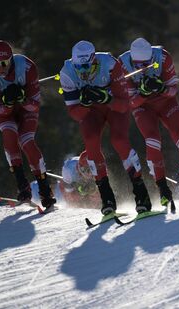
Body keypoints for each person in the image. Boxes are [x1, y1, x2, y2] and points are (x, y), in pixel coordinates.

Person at [59, 40, 151, 215]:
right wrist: (84, 104)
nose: (83, 72)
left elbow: (124, 105)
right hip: (92, 112)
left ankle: (141, 194)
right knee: (91, 142)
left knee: (119, 140)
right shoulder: (67, 72)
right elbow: (74, 112)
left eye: (87, 67)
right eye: (79, 68)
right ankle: (106, 197)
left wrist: (105, 98)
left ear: (94, 60)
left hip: (113, 108)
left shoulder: (110, 64)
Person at [118, 38, 179, 207]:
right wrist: (143, 93)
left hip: (165, 103)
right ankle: (163, 189)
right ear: (132, 60)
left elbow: (173, 90)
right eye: (138, 64)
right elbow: (129, 103)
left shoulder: (163, 57)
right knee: (152, 141)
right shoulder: (122, 65)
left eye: (147, 63)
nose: (143, 68)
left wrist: (162, 88)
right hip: (143, 107)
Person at [0, 40, 56, 210]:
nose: (1, 67)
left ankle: (45, 190)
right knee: (9, 133)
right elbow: (0, 110)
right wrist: (7, 103)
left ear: (11, 59)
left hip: (26, 109)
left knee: (27, 141)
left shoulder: (27, 67)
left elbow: (34, 104)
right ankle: (23, 188)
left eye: (4, 62)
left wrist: (21, 98)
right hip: (4, 112)